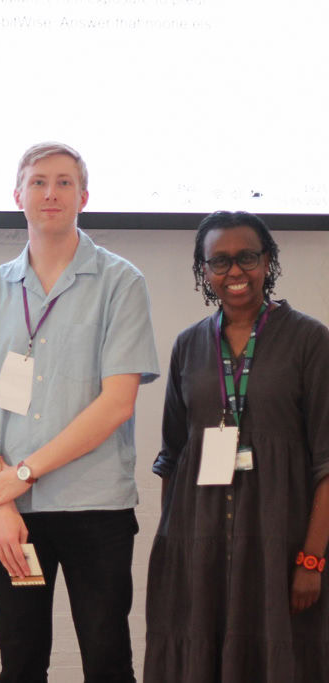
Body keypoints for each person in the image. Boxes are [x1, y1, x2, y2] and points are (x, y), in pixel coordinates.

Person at [0, 142, 160, 682]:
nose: (51, 193)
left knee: (107, 660)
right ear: (17, 195)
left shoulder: (121, 283)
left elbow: (117, 404)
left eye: (64, 182)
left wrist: (22, 473)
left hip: (98, 513)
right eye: (39, 181)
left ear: (84, 196)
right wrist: (1, 504)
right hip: (16, 521)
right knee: (20, 665)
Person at [145, 211, 329, 681]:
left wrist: (312, 558)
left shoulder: (312, 341)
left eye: (247, 257)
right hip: (199, 543)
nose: (235, 272)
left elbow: (327, 463)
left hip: (279, 543)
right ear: (203, 271)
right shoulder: (188, 346)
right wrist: (177, 550)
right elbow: (173, 457)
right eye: (219, 261)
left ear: (268, 261)